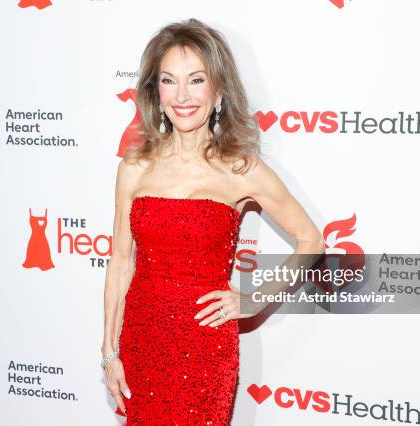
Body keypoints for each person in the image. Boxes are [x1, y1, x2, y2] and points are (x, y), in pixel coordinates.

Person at [101, 18, 324, 425]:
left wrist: (253, 299)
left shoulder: (241, 169)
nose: (182, 95)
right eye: (169, 81)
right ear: (156, 92)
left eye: (196, 80)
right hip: (141, 340)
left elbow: (310, 240)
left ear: (218, 89)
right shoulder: (134, 167)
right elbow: (120, 262)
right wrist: (109, 352)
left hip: (204, 349)